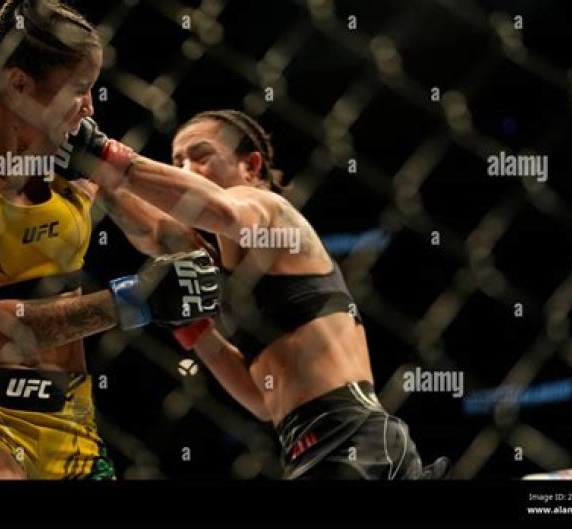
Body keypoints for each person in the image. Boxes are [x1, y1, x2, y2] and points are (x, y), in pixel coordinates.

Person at [0, 0, 219, 479]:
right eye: (79, 89)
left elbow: (177, 244)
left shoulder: (72, 161)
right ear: (18, 85)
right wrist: (133, 300)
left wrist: (113, 164)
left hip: (71, 424)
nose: (91, 106)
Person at [55, 110, 450, 480]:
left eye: (202, 156)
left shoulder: (271, 212)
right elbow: (261, 400)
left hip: (355, 437)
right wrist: (90, 174)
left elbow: (225, 212)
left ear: (251, 166)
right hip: (303, 446)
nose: (188, 170)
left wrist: (104, 153)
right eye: (178, 163)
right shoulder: (220, 269)